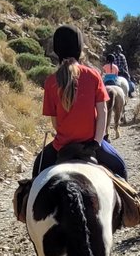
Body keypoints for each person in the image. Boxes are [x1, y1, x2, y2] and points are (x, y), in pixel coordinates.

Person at [32, 25, 127, 180]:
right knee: (120, 167)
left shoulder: (50, 81)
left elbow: (55, 122)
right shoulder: (94, 75)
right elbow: (102, 113)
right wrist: (96, 142)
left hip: (62, 147)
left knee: (38, 170)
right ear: (79, 48)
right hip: (91, 145)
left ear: (57, 50)